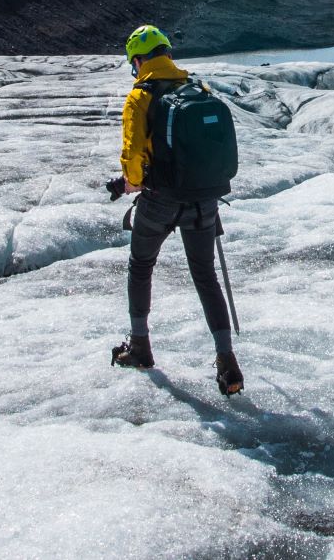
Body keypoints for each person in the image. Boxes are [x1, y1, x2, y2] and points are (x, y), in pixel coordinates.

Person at [109, 24, 244, 396]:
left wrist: (130, 182)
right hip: (203, 200)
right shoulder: (196, 89)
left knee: (141, 266)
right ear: (167, 54)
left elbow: (133, 157)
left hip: (160, 201)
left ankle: (140, 346)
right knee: (205, 276)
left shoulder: (141, 96)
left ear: (138, 60)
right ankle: (227, 361)